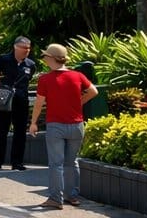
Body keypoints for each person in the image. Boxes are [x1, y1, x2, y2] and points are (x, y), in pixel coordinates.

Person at [29, 42, 98, 210]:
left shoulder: (45, 79)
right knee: (72, 161)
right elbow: (94, 91)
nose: (44, 59)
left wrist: (33, 123)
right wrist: (80, 103)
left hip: (56, 126)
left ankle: (55, 199)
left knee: (56, 164)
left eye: (45, 56)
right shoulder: (77, 76)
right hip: (76, 125)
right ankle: (72, 196)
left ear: (51, 58)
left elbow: (39, 103)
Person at [0, 36, 37, 171]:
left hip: (21, 100)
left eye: (28, 48)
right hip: (5, 100)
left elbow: (29, 77)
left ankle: (17, 162)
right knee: (1, 131)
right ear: (16, 47)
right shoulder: (4, 59)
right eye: (24, 48)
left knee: (20, 132)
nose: (26, 50)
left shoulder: (30, 64)